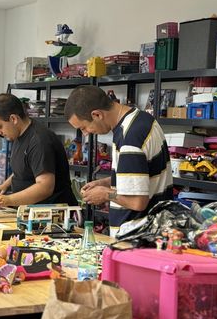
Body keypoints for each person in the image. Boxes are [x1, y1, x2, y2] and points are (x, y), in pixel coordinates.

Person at [64, 85, 173, 237]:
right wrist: (107, 182)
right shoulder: (140, 119)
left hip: (137, 238)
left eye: (84, 127)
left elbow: (137, 202)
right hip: (150, 233)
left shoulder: (130, 137)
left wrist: (106, 194)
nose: (86, 134)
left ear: (96, 115)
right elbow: (142, 175)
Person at [0, 93, 77, 207]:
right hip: (30, 211)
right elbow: (25, 169)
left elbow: (45, 187)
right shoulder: (18, 135)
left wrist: (8, 200)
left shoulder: (39, 141)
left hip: (53, 216)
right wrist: (5, 185)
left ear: (13, 119)